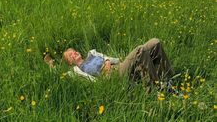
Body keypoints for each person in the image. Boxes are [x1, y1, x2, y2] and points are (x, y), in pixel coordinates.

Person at [44, 38, 174, 86]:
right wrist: (51, 64)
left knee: (155, 43)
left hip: (119, 67)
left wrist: (107, 61)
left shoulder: (92, 53)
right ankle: (155, 88)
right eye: (70, 55)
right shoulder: (76, 71)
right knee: (140, 50)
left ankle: (168, 79)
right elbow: (59, 76)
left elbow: (110, 58)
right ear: (70, 62)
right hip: (112, 77)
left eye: (73, 51)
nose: (74, 53)